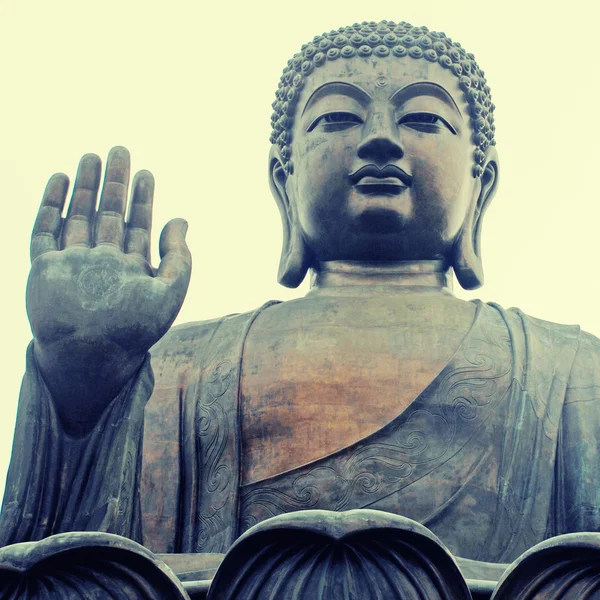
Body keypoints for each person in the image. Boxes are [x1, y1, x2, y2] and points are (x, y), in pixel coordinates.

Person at [2, 20, 599, 566]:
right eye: (337, 118)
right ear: (282, 181)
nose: (381, 141)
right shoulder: (177, 367)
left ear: (482, 179)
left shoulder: (570, 369)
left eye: (423, 119)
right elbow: (58, 563)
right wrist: (82, 382)